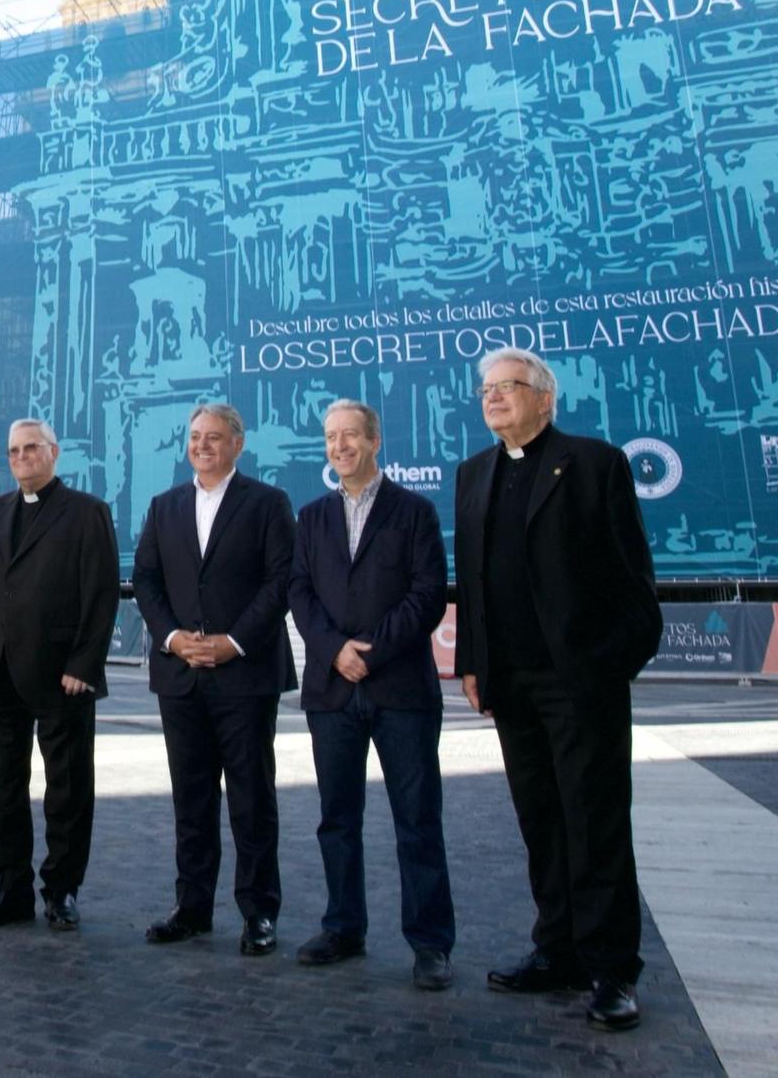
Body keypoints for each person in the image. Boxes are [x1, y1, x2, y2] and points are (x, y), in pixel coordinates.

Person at [454, 349, 661, 1031]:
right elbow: (475, 581)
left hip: (581, 684)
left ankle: (612, 969)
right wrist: (473, 664)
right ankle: (558, 951)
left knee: (594, 824)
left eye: (507, 388)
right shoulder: (474, 473)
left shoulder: (595, 464)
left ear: (545, 398)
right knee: (541, 822)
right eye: (486, 390)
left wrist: (607, 666)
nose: (493, 399)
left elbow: (633, 582)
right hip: (511, 685)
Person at [287, 399, 456, 988]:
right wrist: (335, 649)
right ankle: (343, 926)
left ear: (374, 441)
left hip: (399, 688)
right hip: (332, 690)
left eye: (351, 435)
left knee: (416, 819)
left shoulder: (414, 512)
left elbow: (428, 594)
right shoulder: (310, 518)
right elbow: (299, 592)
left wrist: (372, 651)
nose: (340, 446)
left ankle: (431, 943)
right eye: (332, 437)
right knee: (337, 818)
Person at [131, 402, 296, 955]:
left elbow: (279, 583)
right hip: (181, 676)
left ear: (238, 444)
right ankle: (192, 906)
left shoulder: (269, 504)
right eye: (196, 436)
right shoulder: (164, 505)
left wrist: (232, 643)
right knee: (191, 800)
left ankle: (259, 913)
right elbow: (146, 582)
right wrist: (174, 639)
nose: (203, 445)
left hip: (245, 674)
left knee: (252, 800)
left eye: (215, 437)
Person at [0, 419, 120, 932]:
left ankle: (62, 890)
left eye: (31, 448)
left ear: (53, 453)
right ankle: (11, 890)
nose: (21, 457)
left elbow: (101, 593)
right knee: (3, 787)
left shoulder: (88, 513)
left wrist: (84, 665)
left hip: (60, 675)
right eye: (13, 451)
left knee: (67, 788)